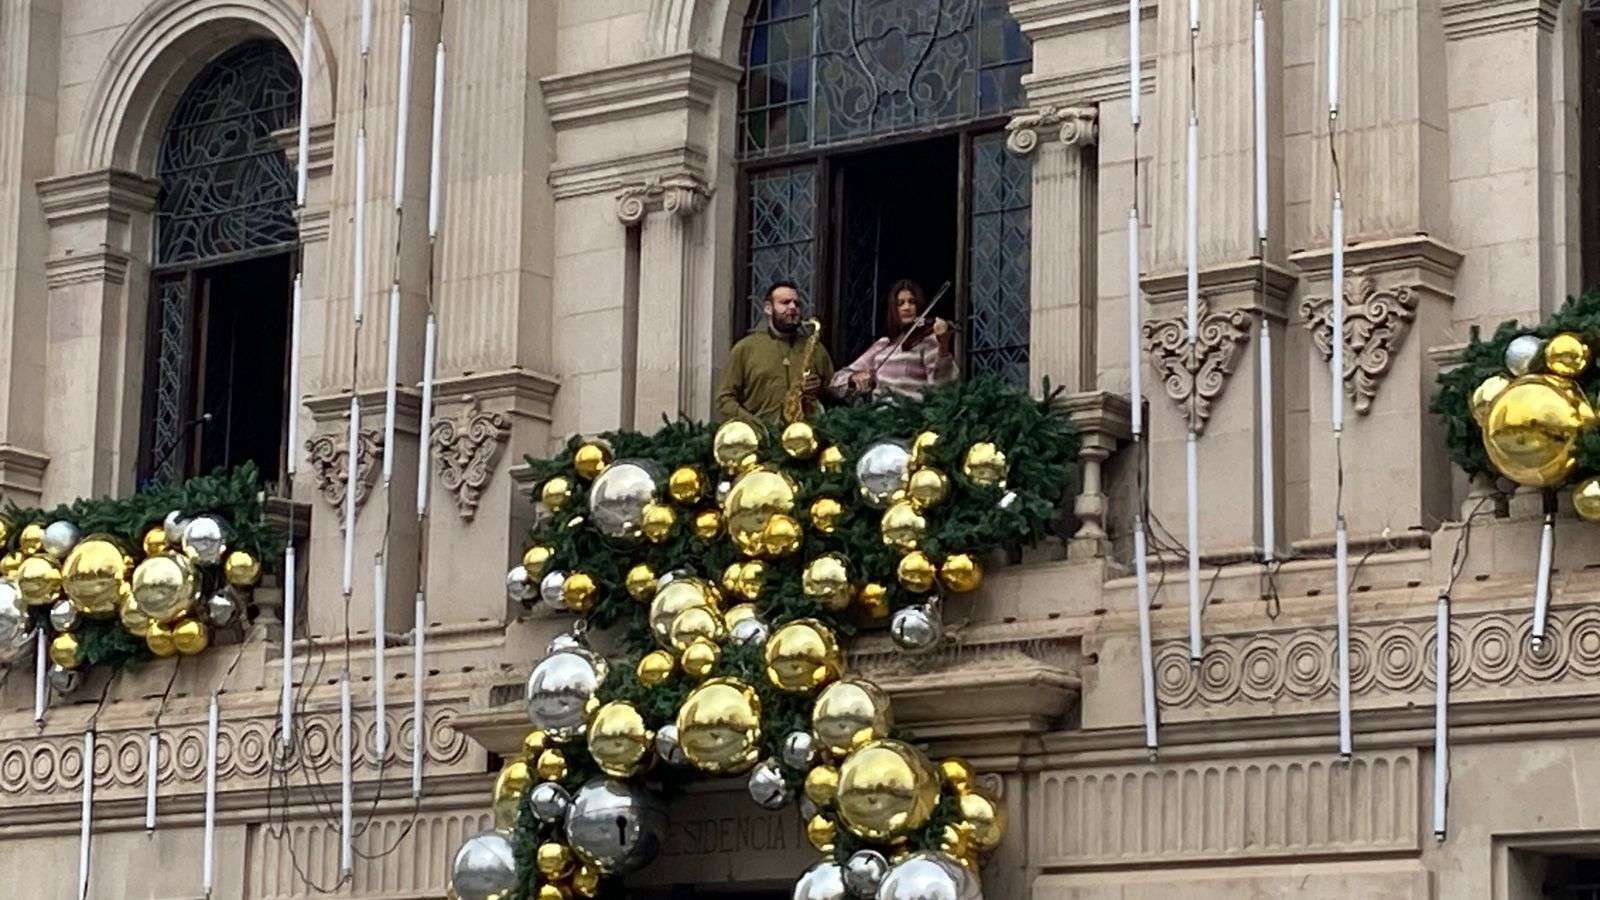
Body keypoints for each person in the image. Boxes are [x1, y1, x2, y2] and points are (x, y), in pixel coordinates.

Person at [716, 280, 836, 422]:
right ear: (768, 308)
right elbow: (725, 399)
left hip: (806, 431)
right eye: (785, 302)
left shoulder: (817, 349)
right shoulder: (745, 348)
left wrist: (820, 390)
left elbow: (835, 396)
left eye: (797, 304)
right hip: (761, 432)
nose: (793, 307)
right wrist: (754, 424)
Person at [830, 278, 957, 403]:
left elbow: (942, 388)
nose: (907, 307)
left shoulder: (928, 342)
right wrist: (853, 379)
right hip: (877, 412)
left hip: (910, 413)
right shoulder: (883, 344)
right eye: (900, 303)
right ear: (893, 309)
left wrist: (943, 345)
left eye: (912, 302)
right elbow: (836, 383)